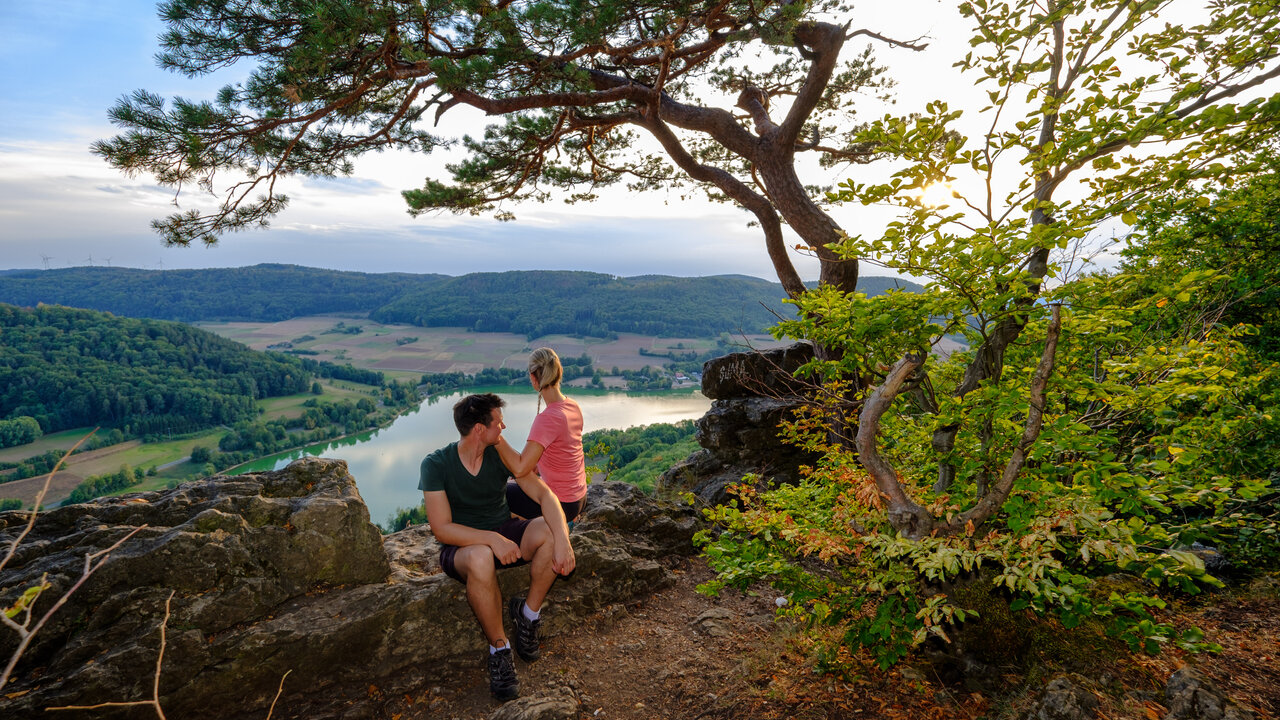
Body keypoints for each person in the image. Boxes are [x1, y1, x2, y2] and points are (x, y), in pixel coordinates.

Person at [420, 393, 574, 701]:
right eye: (497, 422)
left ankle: (527, 614)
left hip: (505, 528)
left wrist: (564, 541)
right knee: (480, 557)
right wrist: (490, 539)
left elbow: (545, 496)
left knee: (549, 531)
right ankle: (499, 649)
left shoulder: (498, 451)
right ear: (479, 429)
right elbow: (442, 528)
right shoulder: (436, 464)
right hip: (463, 545)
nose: (503, 426)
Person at [496, 347, 588, 523]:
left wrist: (496, 437)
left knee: (497, 492)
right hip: (579, 498)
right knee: (518, 483)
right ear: (559, 372)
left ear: (533, 378)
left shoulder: (547, 418)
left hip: (560, 505)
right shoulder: (572, 406)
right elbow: (561, 452)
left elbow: (520, 467)